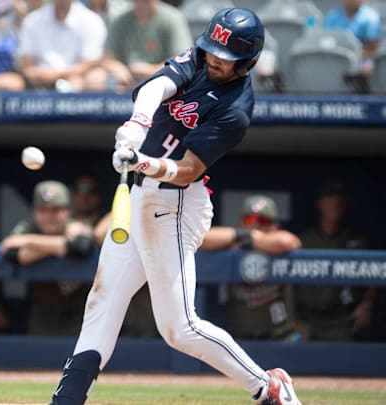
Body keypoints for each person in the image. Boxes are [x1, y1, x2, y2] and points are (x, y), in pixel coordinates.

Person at [48, 8, 302, 405]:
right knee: (102, 299)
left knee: (178, 327)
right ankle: (66, 400)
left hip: (177, 202)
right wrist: (136, 126)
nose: (215, 59)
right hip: (140, 194)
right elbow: (157, 86)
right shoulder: (200, 57)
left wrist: (143, 162)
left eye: (226, 56)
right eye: (212, 49)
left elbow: (187, 170)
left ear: (247, 62)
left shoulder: (235, 110)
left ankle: (267, 386)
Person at [201, 195, 303, 341]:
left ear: (275, 225)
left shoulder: (280, 244)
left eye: (263, 221)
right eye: (250, 220)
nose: (256, 226)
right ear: (241, 223)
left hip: (280, 337)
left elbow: (287, 242)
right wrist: (245, 236)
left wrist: (254, 239)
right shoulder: (231, 243)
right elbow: (200, 239)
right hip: (241, 338)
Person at [0, 180, 95, 336]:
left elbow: (81, 247)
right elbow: (11, 253)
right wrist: (61, 246)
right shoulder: (29, 227)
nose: (49, 216)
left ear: (67, 211)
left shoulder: (74, 226)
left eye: (55, 210)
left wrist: (29, 242)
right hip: (42, 315)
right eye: (43, 210)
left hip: (80, 315)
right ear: (34, 211)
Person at [295, 180, 377, 341]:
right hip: (307, 318)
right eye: (330, 198)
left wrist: (366, 304)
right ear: (320, 204)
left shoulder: (357, 241)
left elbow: (375, 273)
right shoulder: (303, 241)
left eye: (340, 199)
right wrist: (292, 318)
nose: (336, 203)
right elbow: (287, 281)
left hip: (343, 318)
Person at [0, 0, 106, 92]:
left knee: (94, 80)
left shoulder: (92, 21)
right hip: (37, 80)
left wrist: (57, 75)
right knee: (3, 83)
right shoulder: (32, 20)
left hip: (76, 78)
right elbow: (27, 64)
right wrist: (36, 74)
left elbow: (90, 63)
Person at [88, 0, 192, 92]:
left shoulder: (173, 18)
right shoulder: (120, 19)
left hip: (161, 77)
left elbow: (181, 61)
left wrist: (150, 70)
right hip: (125, 79)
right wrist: (118, 69)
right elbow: (107, 58)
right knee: (94, 78)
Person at [324, 0, 381, 79]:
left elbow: (372, 47)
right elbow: (326, 40)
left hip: (363, 58)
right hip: (335, 57)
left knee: (367, 68)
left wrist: (354, 57)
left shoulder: (370, 16)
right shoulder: (332, 16)